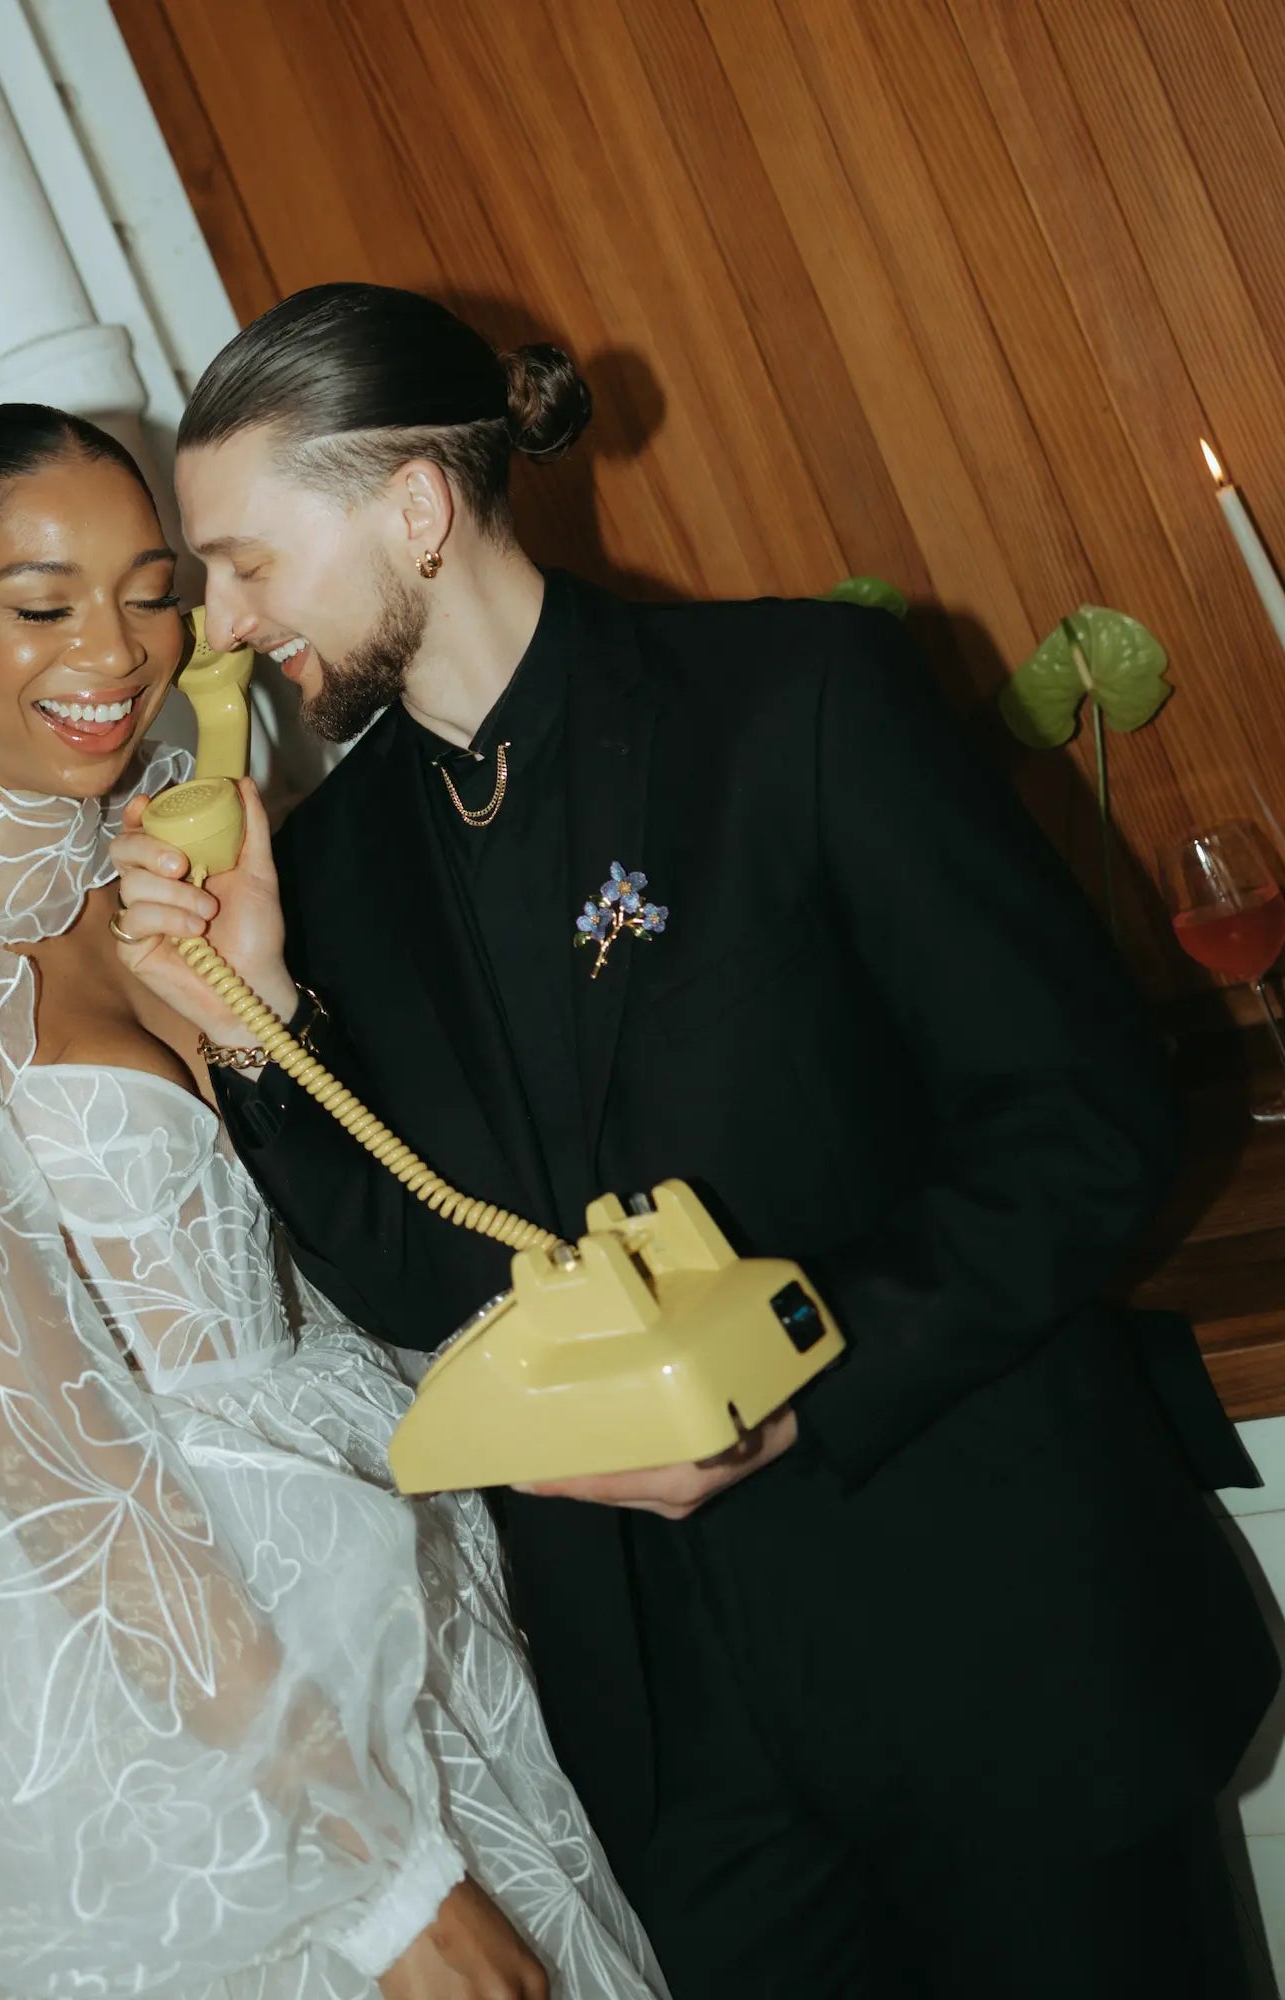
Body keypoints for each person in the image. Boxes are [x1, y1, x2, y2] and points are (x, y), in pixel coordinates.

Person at [110, 282, 1282, 1997]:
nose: (216, 627)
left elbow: (1084, 1127)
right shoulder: (336, 863)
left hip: (994, 1644)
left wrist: (799, 1375)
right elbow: (414, 1279)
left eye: (247, 559)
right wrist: (259, 1026)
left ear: (416, 510)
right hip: (684, 1764)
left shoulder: (800, 699)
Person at [0, 402, 664, 2000]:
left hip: (395, 1611)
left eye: (152, 588)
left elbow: (306, 1267)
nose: (115, 651)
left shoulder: (157, 854)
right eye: (40, 605)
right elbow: (49, 1459)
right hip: (173, 1735)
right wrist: (387, 1891)